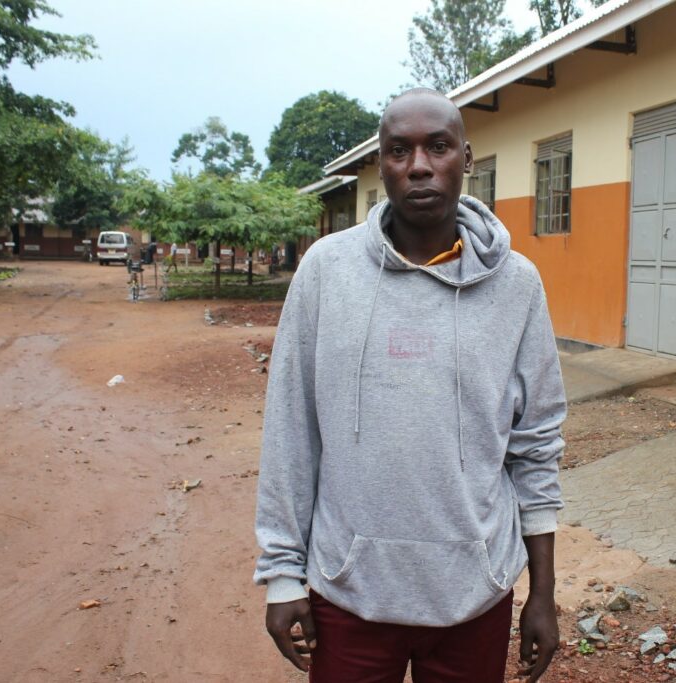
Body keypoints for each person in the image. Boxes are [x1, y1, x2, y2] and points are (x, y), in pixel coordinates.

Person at [254, 88, 566, 683]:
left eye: (438, 147)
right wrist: (283, 574)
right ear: (381, 165)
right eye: (399, 150)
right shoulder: (326, 271)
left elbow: (537, 444)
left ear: (466, 159)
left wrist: (543, 593)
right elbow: (292, 429)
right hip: (348, 591)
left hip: (475, 593)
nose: (419, 165)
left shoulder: (517, 286)